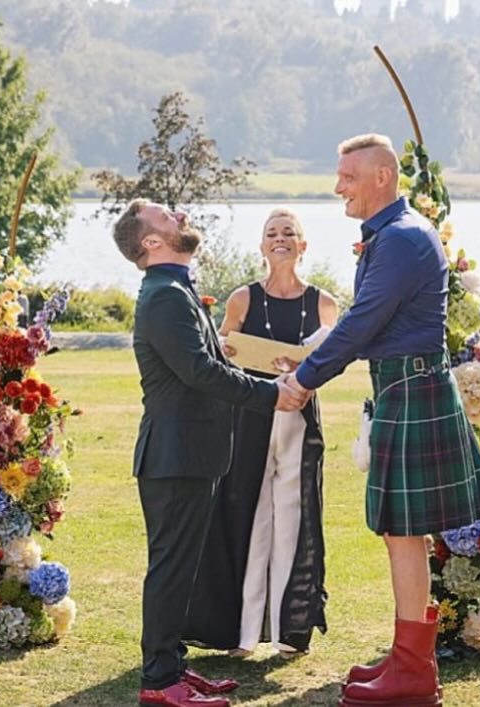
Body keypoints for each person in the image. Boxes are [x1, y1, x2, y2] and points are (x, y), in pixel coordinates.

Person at [282, 135, 480, 707]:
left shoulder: (402, 239)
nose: (338, 187)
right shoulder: (396, 236)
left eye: (348, 175)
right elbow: (365, 325)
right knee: (401, 530)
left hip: (412, 388)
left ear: (382, 177)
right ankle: (411, 661)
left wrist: (305, 379)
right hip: (405, 386)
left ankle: (413, 672)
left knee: (403, 529)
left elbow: (362, 323)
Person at [111, 199, 309, 707]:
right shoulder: (164, 297)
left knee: (181, 567)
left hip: (191, 454)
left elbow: (211, 362)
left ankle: (173, 664)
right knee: (171, 569)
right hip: (174, 457)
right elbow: (201, 373)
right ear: (151, 242)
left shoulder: (175, 289)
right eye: (165, 217)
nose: (178, 216)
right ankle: (159, 682)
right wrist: (272, 394)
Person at [183, 209, 338, 657]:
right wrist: (234, 351)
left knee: (295, 515)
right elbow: (222, 355)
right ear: (262, 245)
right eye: (272, 233)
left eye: (289, 232)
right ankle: (242, 633)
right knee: (246, 511)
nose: (280, 239)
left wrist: (305, 370)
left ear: (303, 245)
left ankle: (290, 630)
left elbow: (331, 361)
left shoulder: (323, 303)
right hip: (250, 417)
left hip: (300, 420)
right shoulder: (242, 299)